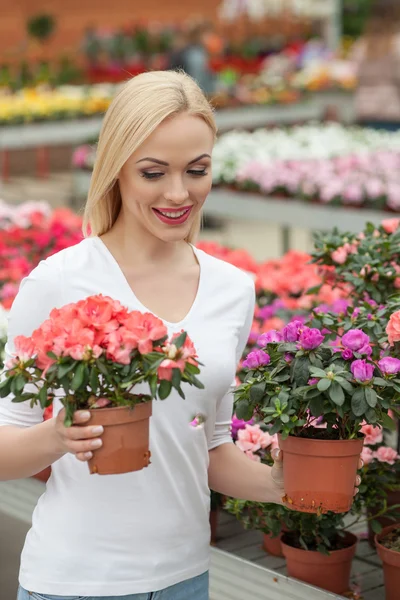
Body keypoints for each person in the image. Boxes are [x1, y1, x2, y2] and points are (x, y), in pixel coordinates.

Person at [0, 70, 361, 600]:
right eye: (153, 173)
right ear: (116, 170)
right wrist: (56, 439)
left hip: (186, 579)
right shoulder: (58, 281)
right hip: (73, 582)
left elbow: (207, 445)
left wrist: (281, 486)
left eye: (197, 170)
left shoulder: (232, 289)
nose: (178, 192)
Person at [351, 0, 400, 130]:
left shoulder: (361, 44)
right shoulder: (396, 44)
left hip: (364, 109)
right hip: (392, 108)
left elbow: (355, 76)